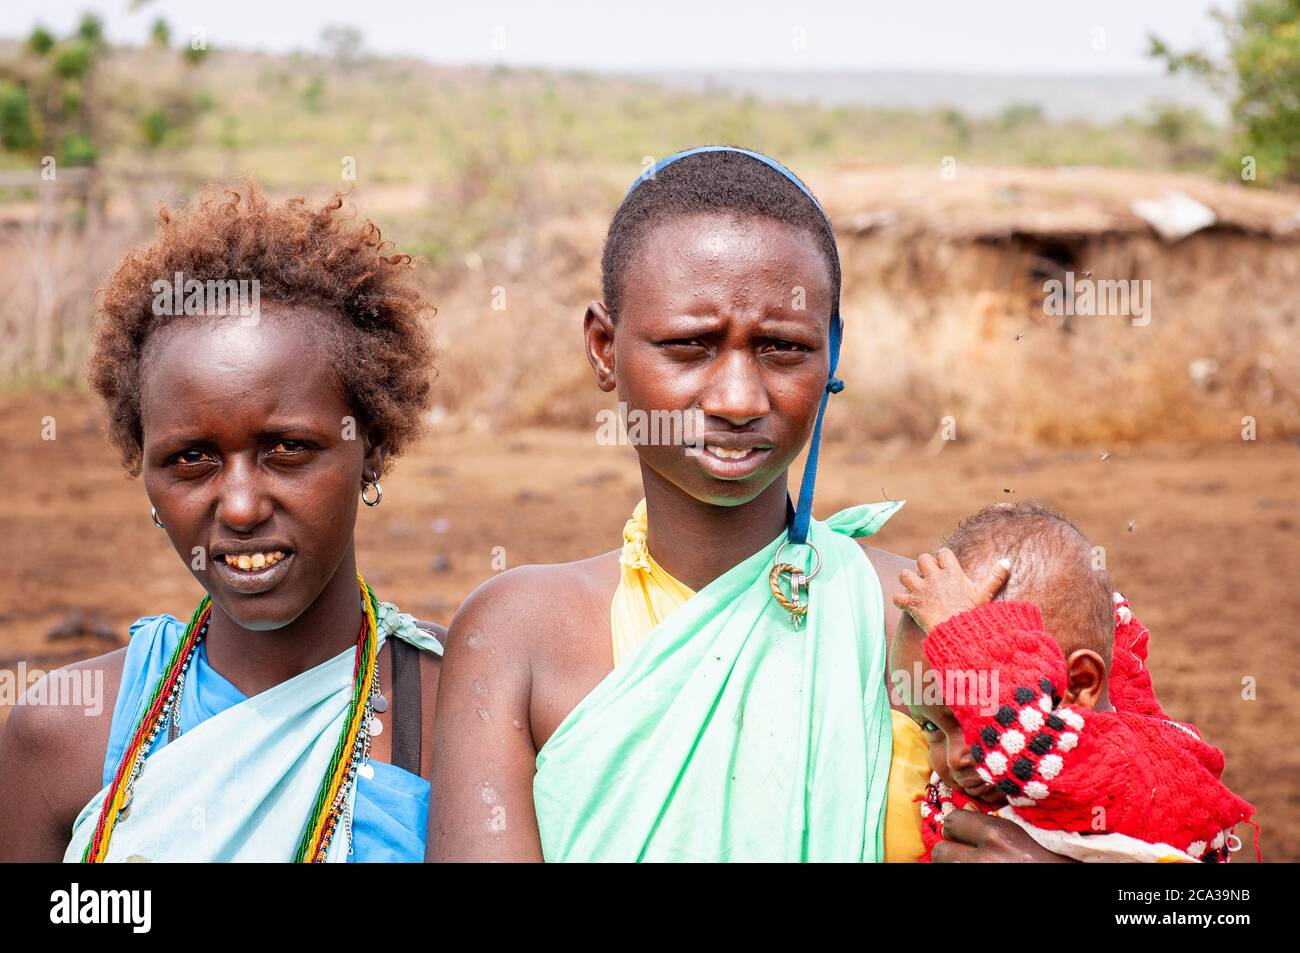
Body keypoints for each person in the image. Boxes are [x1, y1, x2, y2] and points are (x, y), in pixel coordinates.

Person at [427, 146, 1070, 862]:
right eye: (689, 345)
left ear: (832, 353)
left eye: (783, 348)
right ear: (604, 349)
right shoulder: (515, 635)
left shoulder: (928, 622)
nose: (738, 398)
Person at [0, 183, 444, 862]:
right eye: (190, 459)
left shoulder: (459, 709)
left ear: (372, 445)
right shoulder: (63, 734)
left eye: (289, 449)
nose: (239, 506)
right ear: (145, 472)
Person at [890, 501, 1257, 862]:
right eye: (931, 726)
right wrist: (1019, 537)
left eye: (975, 714)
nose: (953, 757)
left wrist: (962, 630)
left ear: (1080, 685)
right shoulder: (1087, 701)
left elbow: (1029, 746)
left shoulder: (1124, 767)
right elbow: (1108, 641)